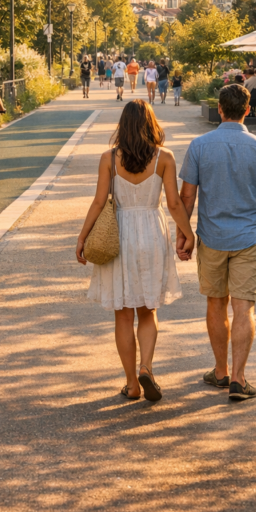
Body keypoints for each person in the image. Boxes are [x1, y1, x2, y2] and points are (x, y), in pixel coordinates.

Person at [77, 101, 194, 402]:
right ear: (151, 123)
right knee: (148, 309)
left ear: (123, 125)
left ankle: (132, 383)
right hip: (152, 231)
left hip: (120, 233)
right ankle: (147, 367)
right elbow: (173, 203)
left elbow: (98, 202)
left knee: (123, 315)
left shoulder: (108, 158)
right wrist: (188, 234)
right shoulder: (163, 158)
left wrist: (83, 237)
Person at [177, 84, 256, 402]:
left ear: (220, 109)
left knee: (215, 303)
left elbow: (187, 196)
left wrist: (185, 235)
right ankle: (238, 378)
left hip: (212, 237)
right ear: (248, 111)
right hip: (249, 237)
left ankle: (220, 371)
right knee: (243, 307)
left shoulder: (199, 146)